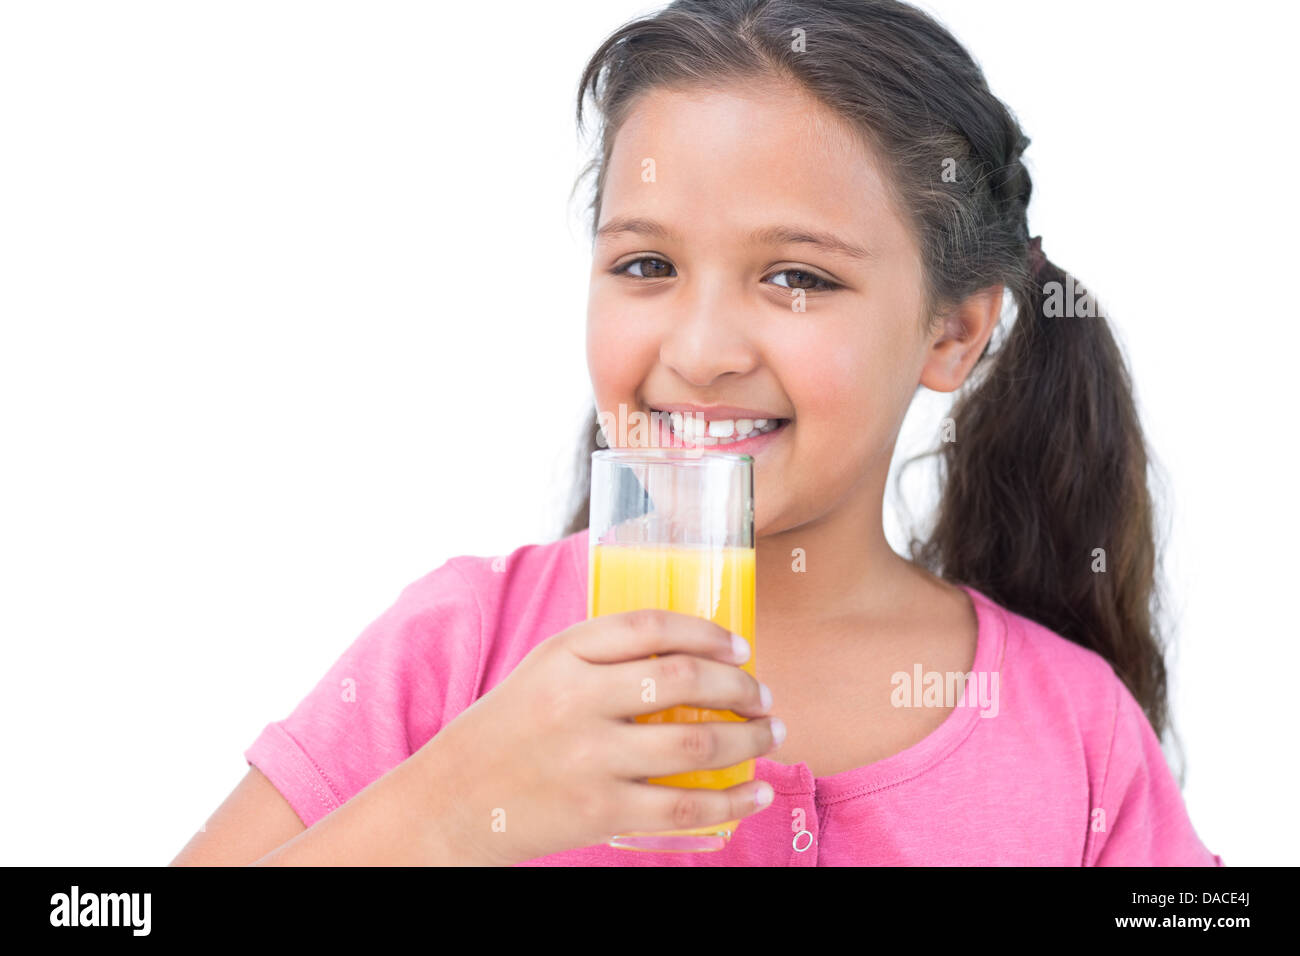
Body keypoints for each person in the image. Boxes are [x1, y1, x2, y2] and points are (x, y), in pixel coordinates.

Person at [172, 0, 1222, 866]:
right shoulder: (460, 650)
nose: (702, 345)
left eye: (796, 278)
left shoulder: (1074, 731)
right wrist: (448, 810)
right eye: (645, 265)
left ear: (951, 332)